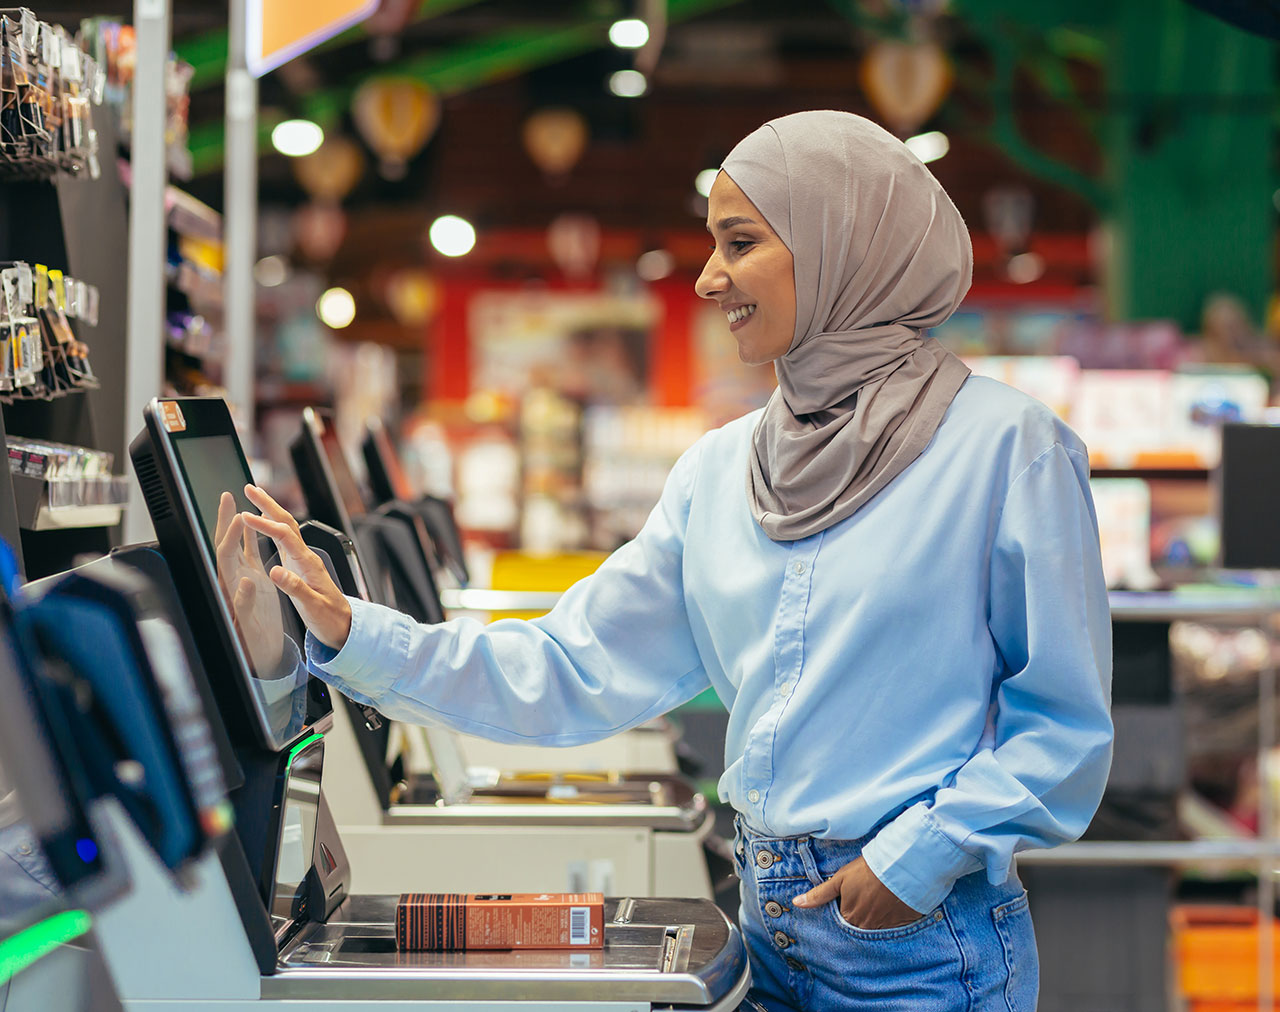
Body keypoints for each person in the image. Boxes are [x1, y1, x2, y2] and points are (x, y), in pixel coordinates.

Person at [241, 110, 1113, 1011]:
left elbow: (1064, 729)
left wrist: (912, 862)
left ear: (842, 243)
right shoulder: (720, 470)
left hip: (917, 941)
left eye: (740, 242)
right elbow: (570, 666)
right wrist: (354, 632)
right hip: (764, 918)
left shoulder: (1008, 449)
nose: (707, 278)